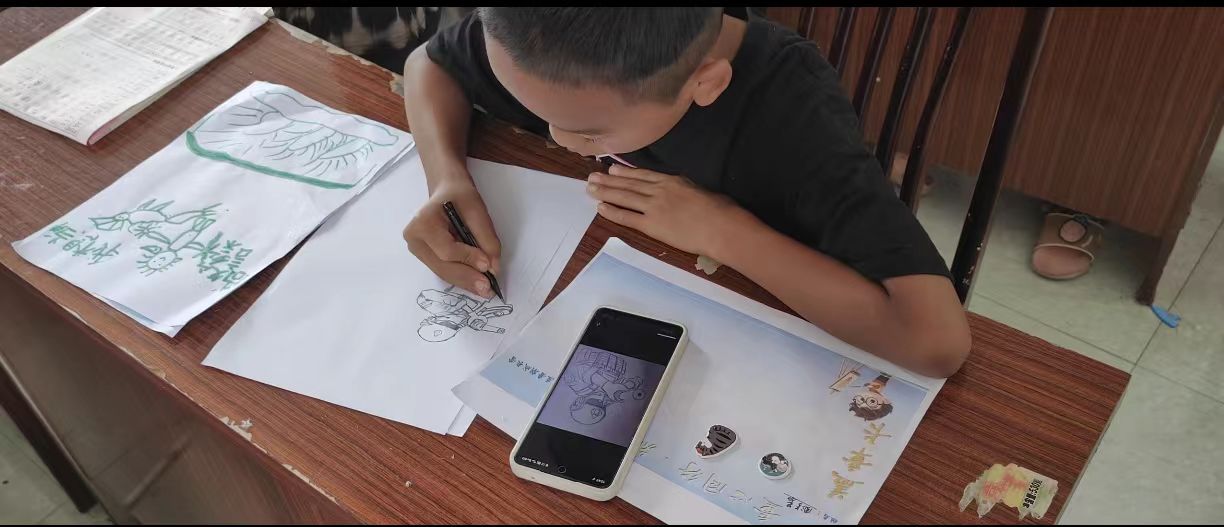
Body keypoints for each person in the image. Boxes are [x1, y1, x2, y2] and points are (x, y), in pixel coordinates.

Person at [400, 8, 971, 377]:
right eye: (533, 108)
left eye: (590, 132)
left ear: (706, 83)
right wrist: (446, 177)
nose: (560, 139)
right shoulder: (541, 32)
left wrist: (721, 230)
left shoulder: (796, 123)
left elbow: (936, 340)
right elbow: (429, 64)